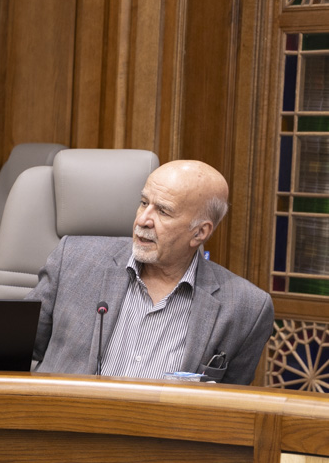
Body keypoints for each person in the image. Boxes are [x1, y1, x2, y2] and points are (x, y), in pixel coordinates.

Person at [28, 159, 273, 385]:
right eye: (144, 203)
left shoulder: (246, 308)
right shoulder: (73, 260)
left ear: (199, 232)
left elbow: (229, 405)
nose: (143, 220)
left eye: (163, 211)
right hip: (63, 417)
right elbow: (16, 350)